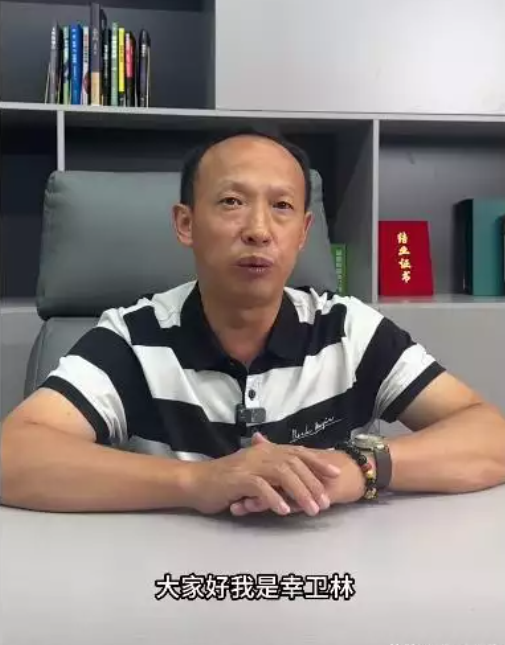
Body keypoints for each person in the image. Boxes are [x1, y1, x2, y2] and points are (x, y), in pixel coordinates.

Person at [2, 130, 505, 518]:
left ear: (304, 232)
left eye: (281, 206)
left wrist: (357, 468)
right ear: (185, 224)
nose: (259, 230)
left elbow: (489, 436)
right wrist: (199, 483)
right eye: (231, 202)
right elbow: (14, 455)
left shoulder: (349, 329)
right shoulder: (133, 338)